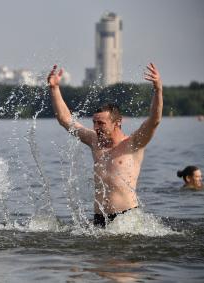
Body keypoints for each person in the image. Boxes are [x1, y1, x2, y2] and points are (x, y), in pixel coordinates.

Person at [47, 63, 163, 227]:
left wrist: (158, 90)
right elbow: (65, 120)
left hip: (126, 219)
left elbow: (154, 120)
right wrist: (54, 89)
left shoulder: (134, 143)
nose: (96, 127)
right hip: (99, 219)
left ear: (118, 122)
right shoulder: (94, 141)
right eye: (94, 122)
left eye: (101, 123)